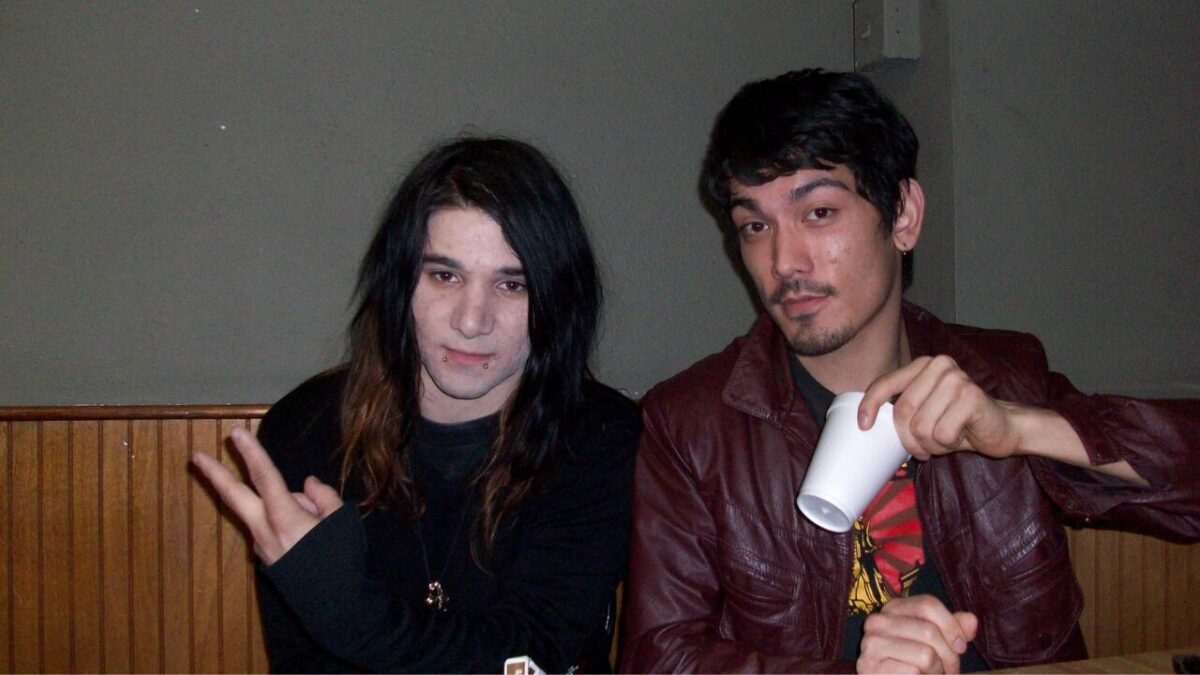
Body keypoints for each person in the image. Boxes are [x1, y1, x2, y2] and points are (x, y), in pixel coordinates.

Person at [619, 69, 1200, 673]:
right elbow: (658, 659)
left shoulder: (1003, 376)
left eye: (819, 212)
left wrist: (1021, 428)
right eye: (755, 226)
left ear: (903, 217)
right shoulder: (693, 424)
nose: (784, 262)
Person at [192, 137, 639, 673]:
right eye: (444, 275)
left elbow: (529, 659)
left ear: (557, 297)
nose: (471, 321)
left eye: (512, 284)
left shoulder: (600, 437)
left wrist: (348, 613)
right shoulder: (305, 430)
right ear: (400, 281)